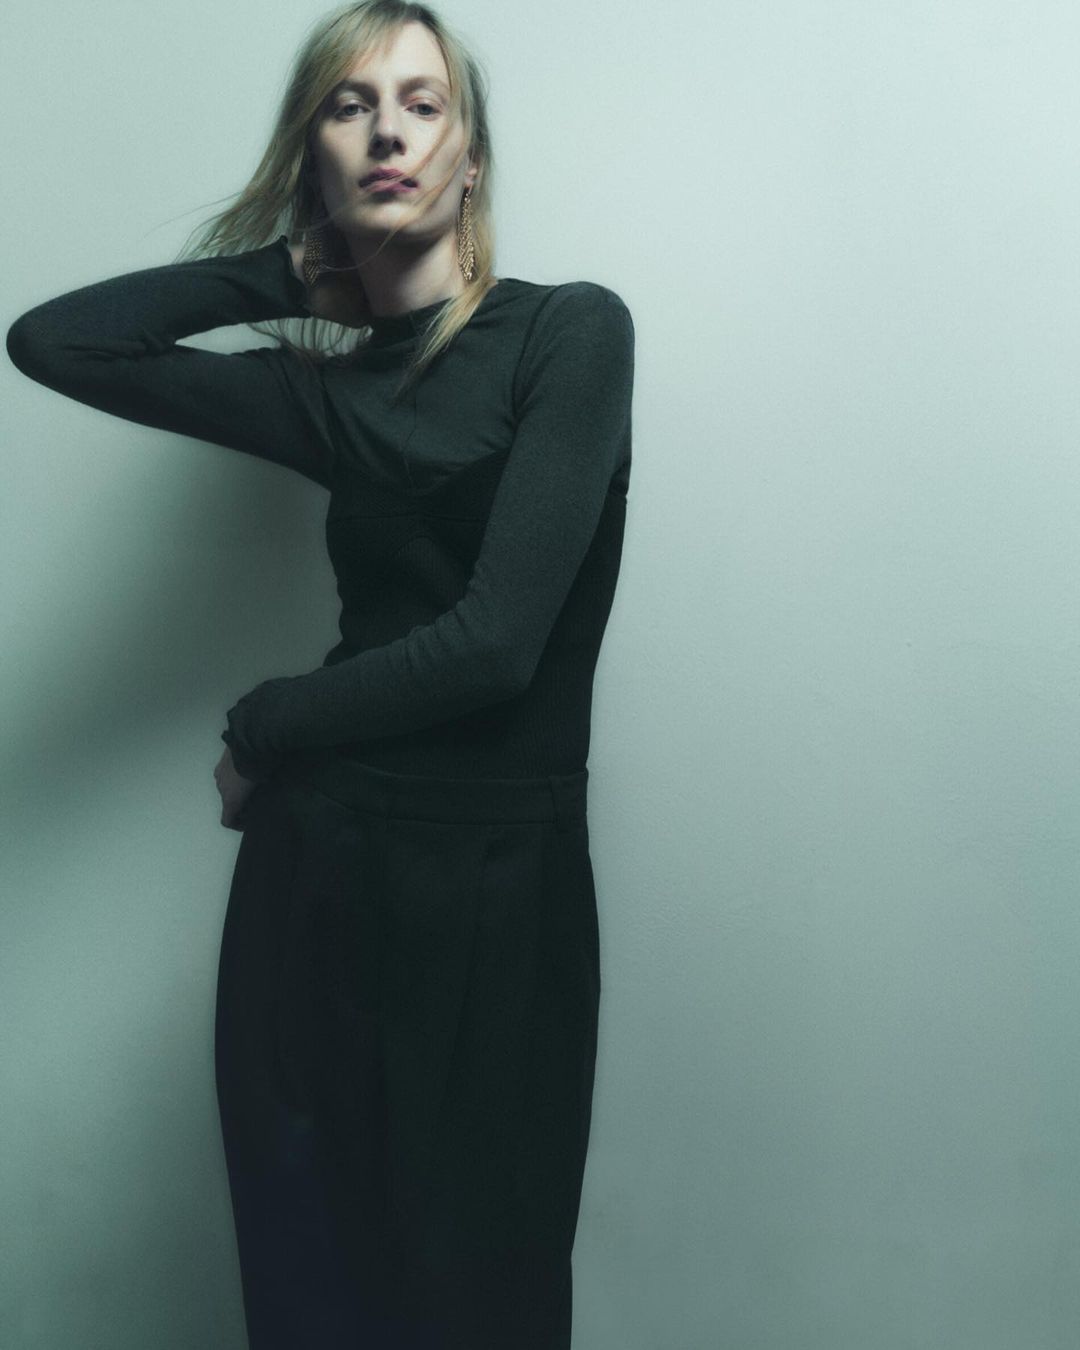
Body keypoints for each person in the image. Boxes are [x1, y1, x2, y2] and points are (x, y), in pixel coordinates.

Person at [5, 1, 635, 1345]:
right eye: (350, 107)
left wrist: (265, 724)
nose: (389, 131)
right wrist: (293, 272)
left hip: (498, 894)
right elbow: (55, 341)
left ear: (470, 160)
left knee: (485, 1306)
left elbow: (498, 643)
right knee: (309, 1305)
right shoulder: (325, 394)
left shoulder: (570, 336)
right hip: (318, 882)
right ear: (318, 161)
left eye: (422, 103)